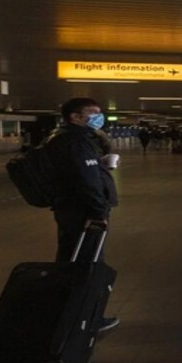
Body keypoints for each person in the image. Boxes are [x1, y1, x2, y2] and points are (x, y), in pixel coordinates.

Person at [45, 97, 119, 333]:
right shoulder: (76, 141)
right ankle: (85, 319)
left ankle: (67, 315)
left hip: (70, 208)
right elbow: (86, 181)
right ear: (75, 117)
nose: (99, 117)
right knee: (86, 264)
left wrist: (100, 164)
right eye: (93, 113)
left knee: (73, 260)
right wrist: (99, 212)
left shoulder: (64, 139)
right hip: (83, 212)